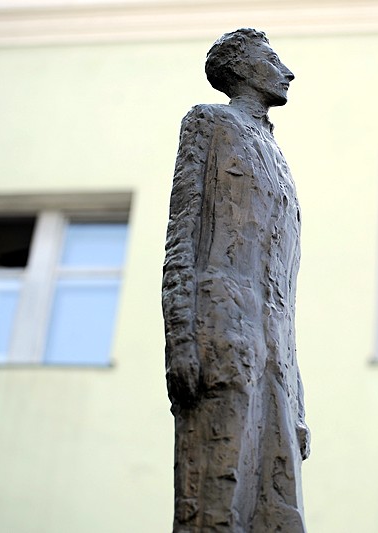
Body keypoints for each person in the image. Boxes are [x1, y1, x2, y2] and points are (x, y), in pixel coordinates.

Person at [162, 28, 309, 532]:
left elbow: (285, 293)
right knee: (215, 493)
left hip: (275, 352)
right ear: (242, 68)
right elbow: (182, 234)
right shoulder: (211, 123)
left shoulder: (281, 163)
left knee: (279, 507)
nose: (287, 71)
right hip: (219, 329)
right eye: (273, 59)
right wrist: (181, 340)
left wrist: (298, 395)